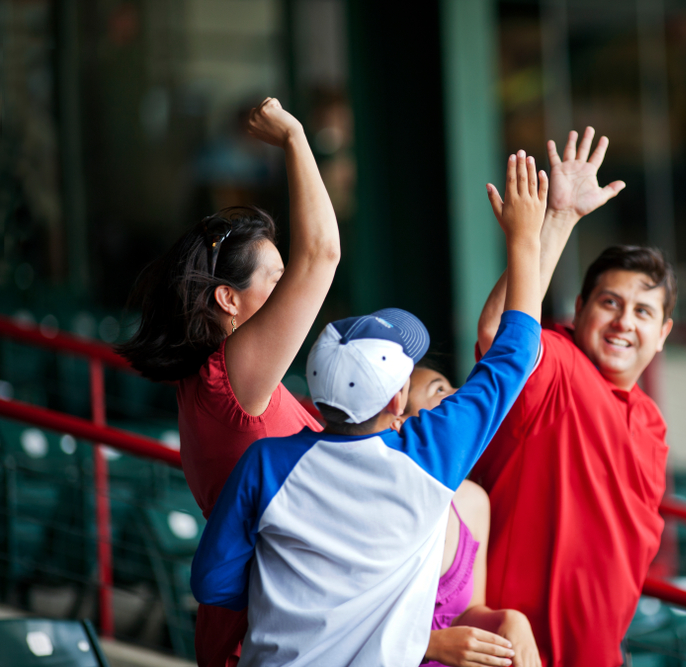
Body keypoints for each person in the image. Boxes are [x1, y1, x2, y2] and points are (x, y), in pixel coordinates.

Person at [189, 151, 547, 667]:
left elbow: (212, 582)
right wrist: (526, 237)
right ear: (397, 399)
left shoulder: (265, 464)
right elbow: (516, 355)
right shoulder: (429, 456)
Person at [117, 98, 340, 667]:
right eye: (277, 279)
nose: (292, 290)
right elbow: (322, 254)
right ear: (228, 299)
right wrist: (294, 136)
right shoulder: (229, 377)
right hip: (269, 637)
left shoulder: (219, 378)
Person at [472, 128, 677, 667]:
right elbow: (501, 337)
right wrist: (558, 220)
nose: (623, 322)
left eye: (643, 311)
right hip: (514, 652)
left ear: (663, 335)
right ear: (580, 307)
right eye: (610, 302)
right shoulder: (559, 361)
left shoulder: (652, 424)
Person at [400, 365, 541, 667]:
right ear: (399, 421)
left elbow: (468, 613)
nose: (460, 395)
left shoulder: (473, 500)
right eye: (439, 390)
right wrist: (427, 645)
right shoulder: (376, 505)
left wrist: (510, 620)